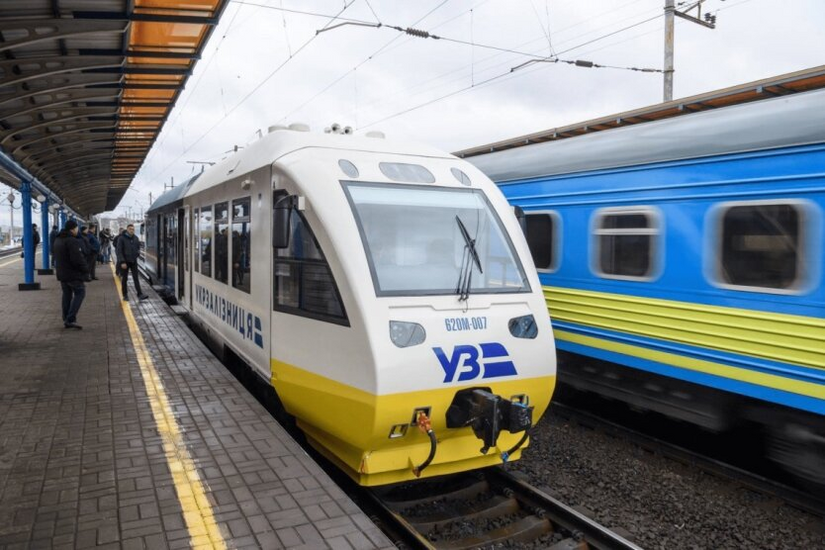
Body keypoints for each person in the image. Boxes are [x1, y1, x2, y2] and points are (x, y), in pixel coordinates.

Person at [53, 220, 87, 329]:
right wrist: (85, 269)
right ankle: (70, 319)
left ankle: (66, 318)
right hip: (73, 274)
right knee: (80, 293)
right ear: (72, 229)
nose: (78, 230)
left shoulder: (58, 239)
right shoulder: (72, 241)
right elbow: (77, 259)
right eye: (76, 228)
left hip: (62, 273)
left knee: (66, 295)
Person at [116, 224, 147, 301]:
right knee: (124, 279)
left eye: (133, 229)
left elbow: (137, 248)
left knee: (136, 278)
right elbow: (119, 251)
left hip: (133, 261)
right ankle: (125, 295)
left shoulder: (136, 238)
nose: (132, 230)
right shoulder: (121, 238)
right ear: (127, 229)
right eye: (130, 229)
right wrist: (122, 262)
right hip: (125, 262)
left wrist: (137, 254)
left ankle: (140, 294)